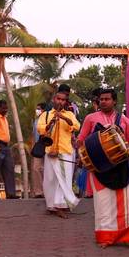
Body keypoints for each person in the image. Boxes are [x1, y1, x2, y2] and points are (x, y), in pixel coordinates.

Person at [77, 89, 129, 247]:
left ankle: (128, 236)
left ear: (114, 101)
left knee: (128, 199)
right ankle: (105, 237)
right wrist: (82, 156)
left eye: (107, 99)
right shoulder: (90, 118)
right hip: (100, 169)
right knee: (103, 202)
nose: (103, 102)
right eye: (101, 99)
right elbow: (80, 139)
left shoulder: (124, 120)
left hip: (121, 167)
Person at [37, 85, 81, 216]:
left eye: (63, 100)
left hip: (65, 151)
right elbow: (41, 129)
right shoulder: (46, 115)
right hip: (50, 150)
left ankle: (61, 205)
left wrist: (64, 118)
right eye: (58, 99)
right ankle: (51, 205)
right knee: (50, 179)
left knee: (63, 179)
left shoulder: (70, 114)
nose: (60, 102)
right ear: (54, 100)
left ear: (65, 102)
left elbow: (76, 126)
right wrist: (51, 122)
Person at [30, 102, 46, 198]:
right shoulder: (35, 120)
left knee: (46, 170)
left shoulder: (47, 118)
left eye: (39, 108)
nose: (37, 110)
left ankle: (46, 191)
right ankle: (38, 192)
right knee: (36, 169)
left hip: (47, 145)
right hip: (37, 147)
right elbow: (33, 134)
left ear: (43, 110)